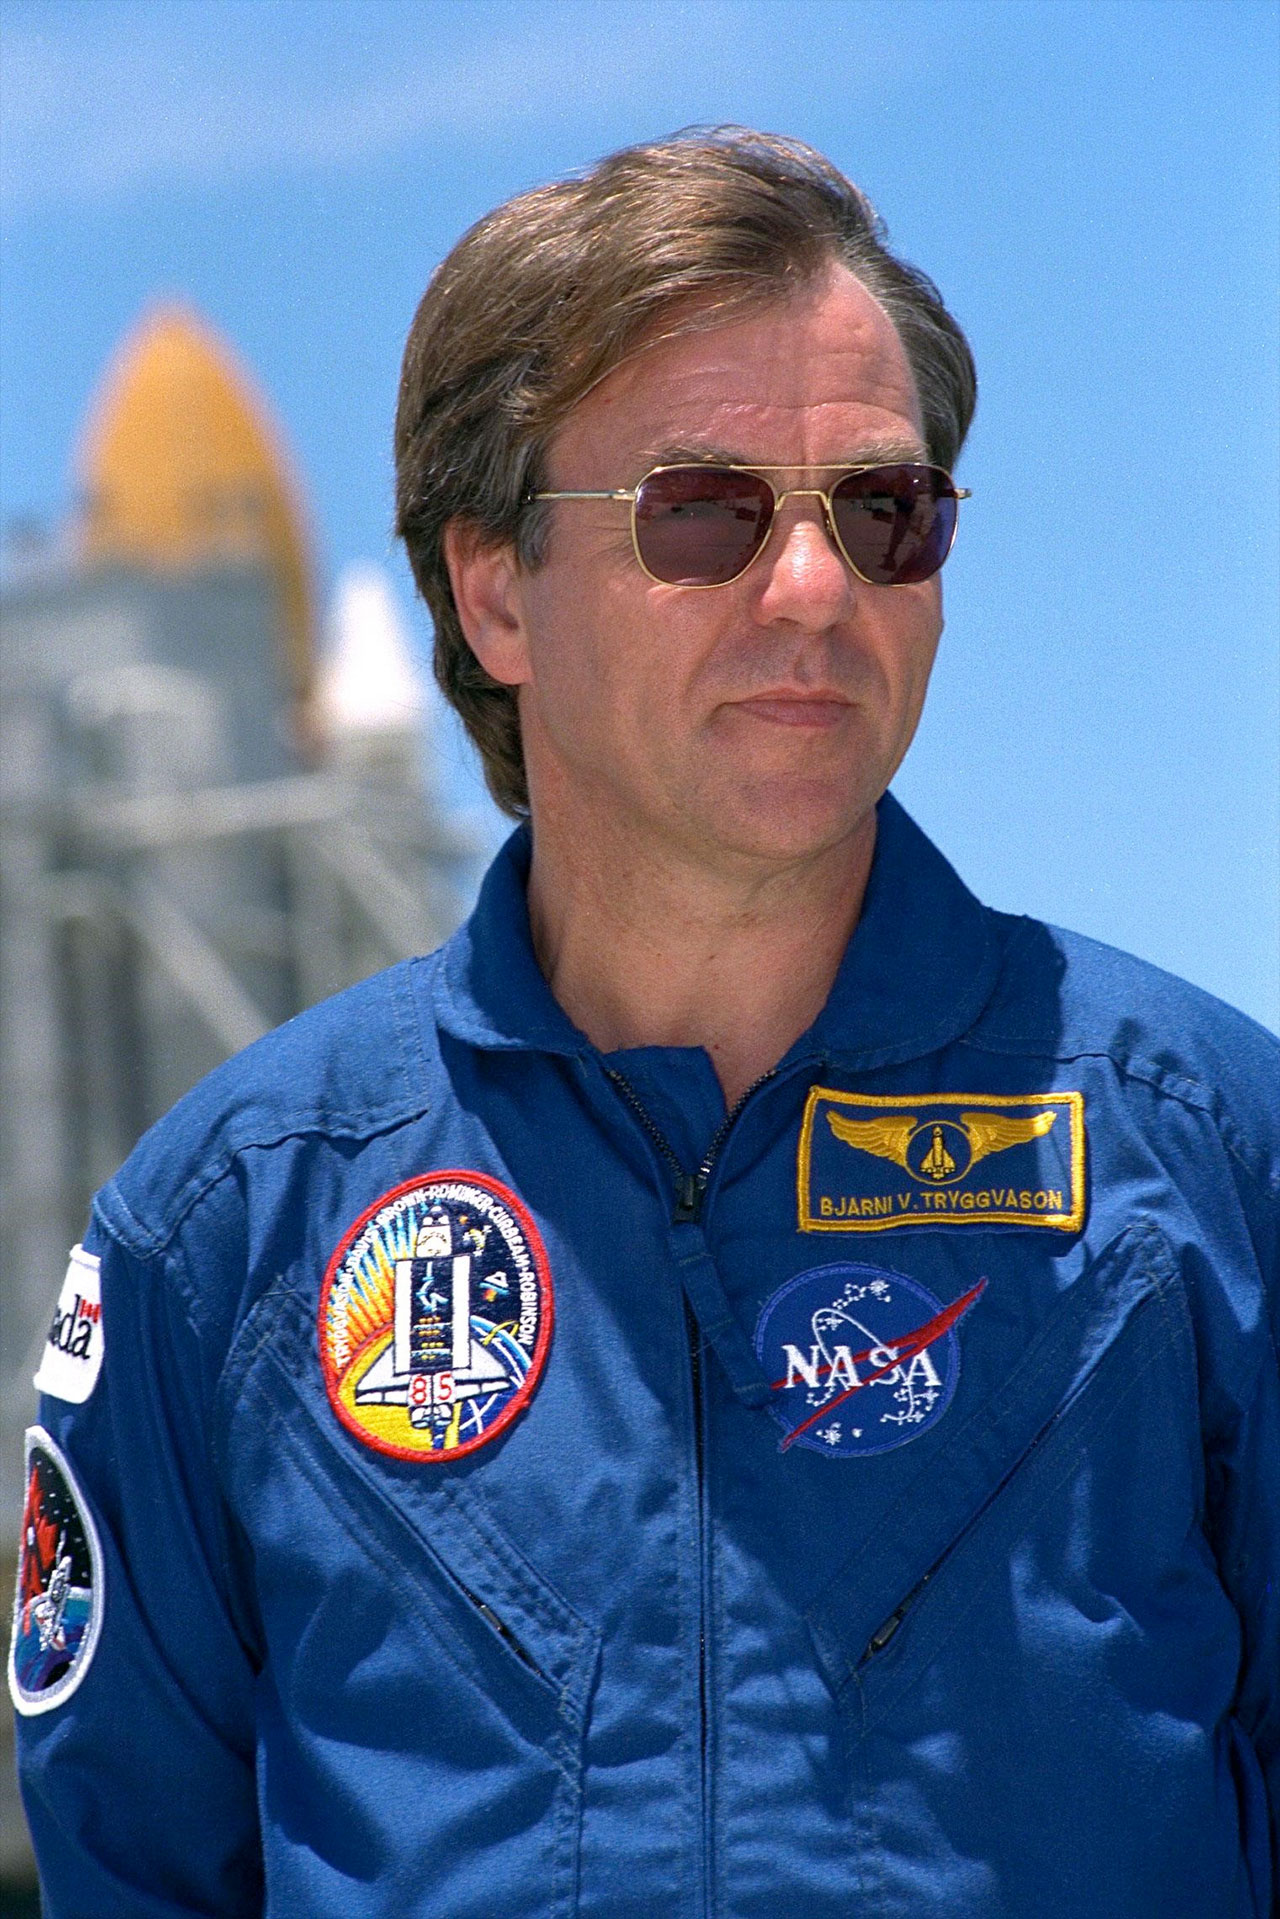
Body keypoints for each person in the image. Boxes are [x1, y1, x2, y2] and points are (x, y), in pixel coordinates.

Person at [11, 128, 1278, 1919]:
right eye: (706, 512)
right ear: (495, 588)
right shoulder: (227, 1236)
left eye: (884, 510)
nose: (818, 589)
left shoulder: (1212, 1163)